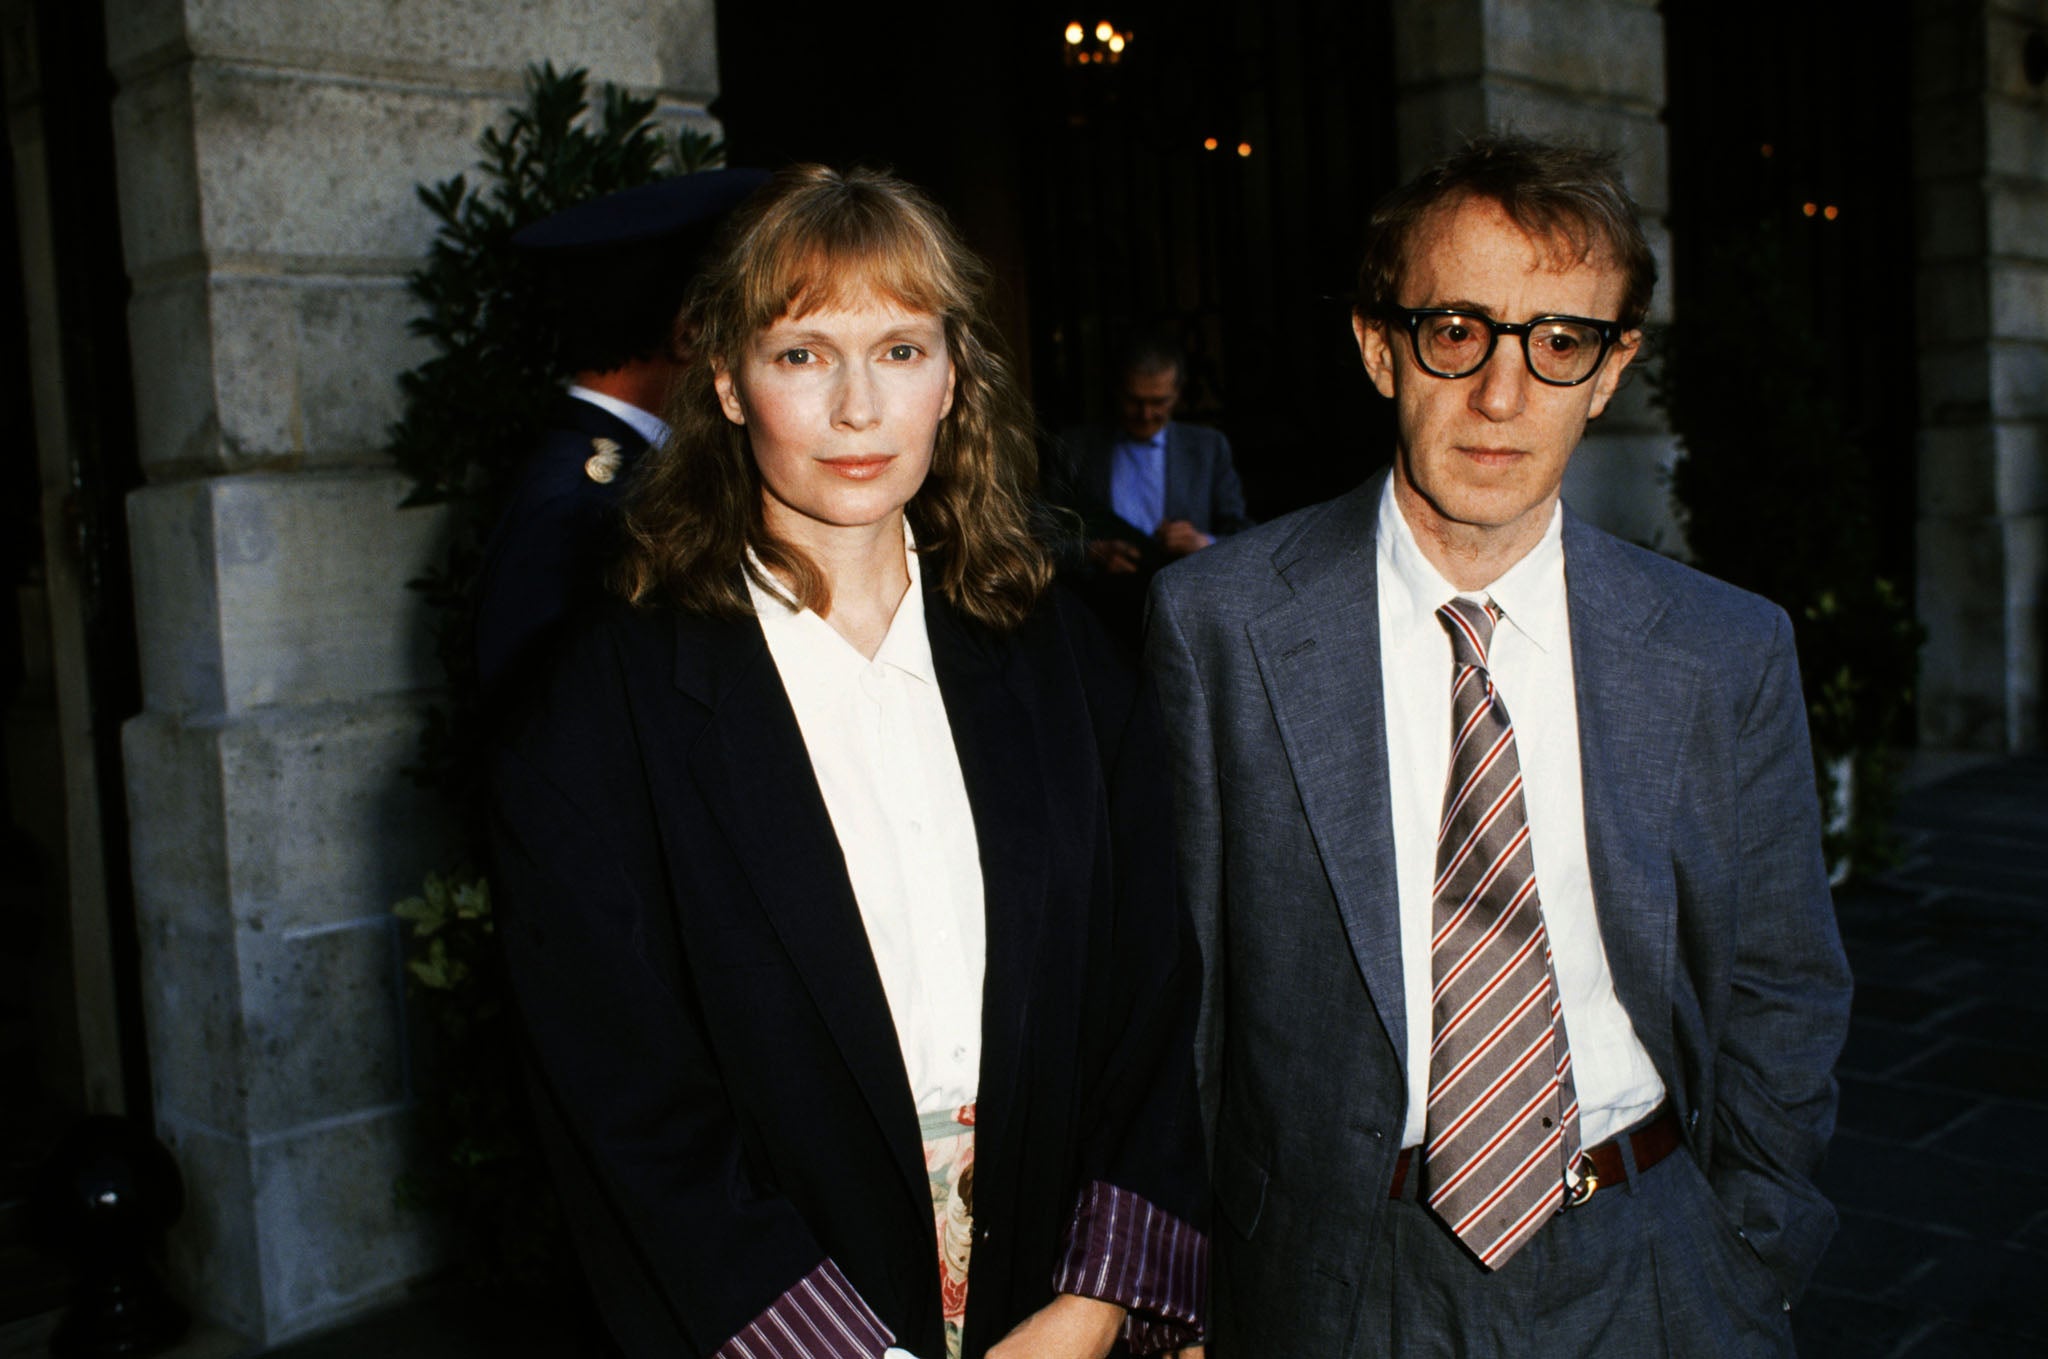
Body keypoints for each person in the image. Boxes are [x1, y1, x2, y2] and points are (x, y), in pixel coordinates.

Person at [1145, 134, 1851, 1356]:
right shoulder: (1219, 626)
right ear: (1379, 346)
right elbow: (1177, 993)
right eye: (1456, 330)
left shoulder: (1721, 651)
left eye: (1558, 340)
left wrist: (1749, 1249)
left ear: (1611, 368)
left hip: (1654, 1262)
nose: (1501, 395)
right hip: (1336, 1280)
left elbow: (1781, 984)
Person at [490, 165, 1209, 1359]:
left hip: (1056, 1304)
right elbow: (620, 1093)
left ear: (954, 376)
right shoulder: (601, 701)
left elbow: (1149, 988)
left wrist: (1091, 1305)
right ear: (724, 379)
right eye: (802, 354)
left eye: (898, 350)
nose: (857, 410)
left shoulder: (1062, 659)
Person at [473, 166, 769, 696]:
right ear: (690, 335)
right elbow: (547, 734)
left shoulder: (613, 476)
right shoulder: (586, 503)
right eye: (740, 328)